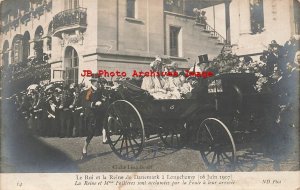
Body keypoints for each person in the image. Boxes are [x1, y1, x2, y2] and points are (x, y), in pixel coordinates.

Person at [81, 77, 107, 160]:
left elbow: (103, 99)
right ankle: (84, 148)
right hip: (92, 114)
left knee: (105, 124)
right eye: (98, 82)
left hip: (100, 112)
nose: (100, 83)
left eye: (100, 82)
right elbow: (85, 102)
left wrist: (103, 100)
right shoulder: (89, 91)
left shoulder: (100, 91)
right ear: (93, 82)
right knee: (91, 132)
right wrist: (94, 103)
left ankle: (104, 139)